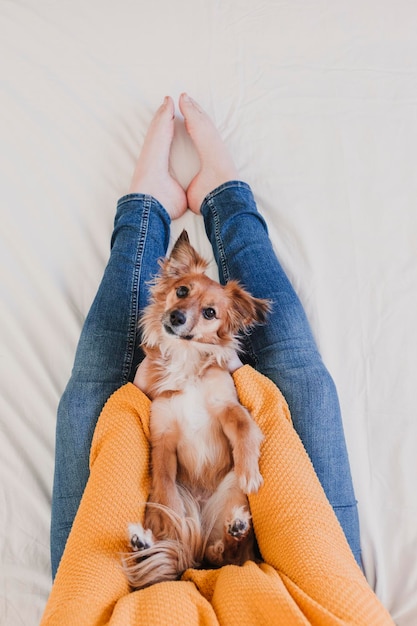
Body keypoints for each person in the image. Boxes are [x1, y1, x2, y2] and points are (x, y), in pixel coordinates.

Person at [50, 94, 362, 581]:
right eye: (184, 296)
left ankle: (146, 208)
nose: (187, 312)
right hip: (288, 582)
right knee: (308, 385)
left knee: (89, 393)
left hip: (123, 585)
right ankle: (226, 198)